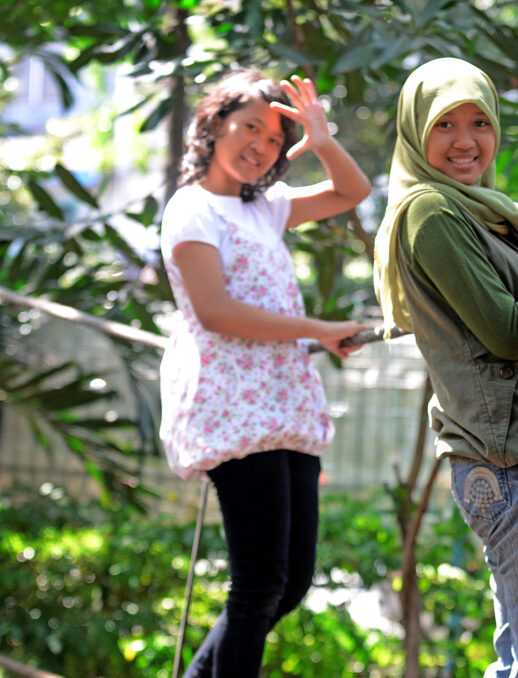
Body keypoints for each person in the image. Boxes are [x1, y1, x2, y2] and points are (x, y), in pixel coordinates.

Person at [373, 57, 518, 677]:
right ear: (416, 131)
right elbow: (504, 331)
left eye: (479, 122)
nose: (465, 141)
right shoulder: (432, 211)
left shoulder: (480, 211)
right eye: (444, 124)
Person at [159, 68, 370, 678]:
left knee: (291, 583)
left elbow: (350, 192)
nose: (262, 145)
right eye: (250, 126)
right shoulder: (191, 210)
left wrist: (323, 140)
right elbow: (216, 312)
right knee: (257, 587)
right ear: (215, 124)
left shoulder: (265, 207)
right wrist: (320, 331)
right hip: (232, 405)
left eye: (276, 139)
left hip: (283, 403)